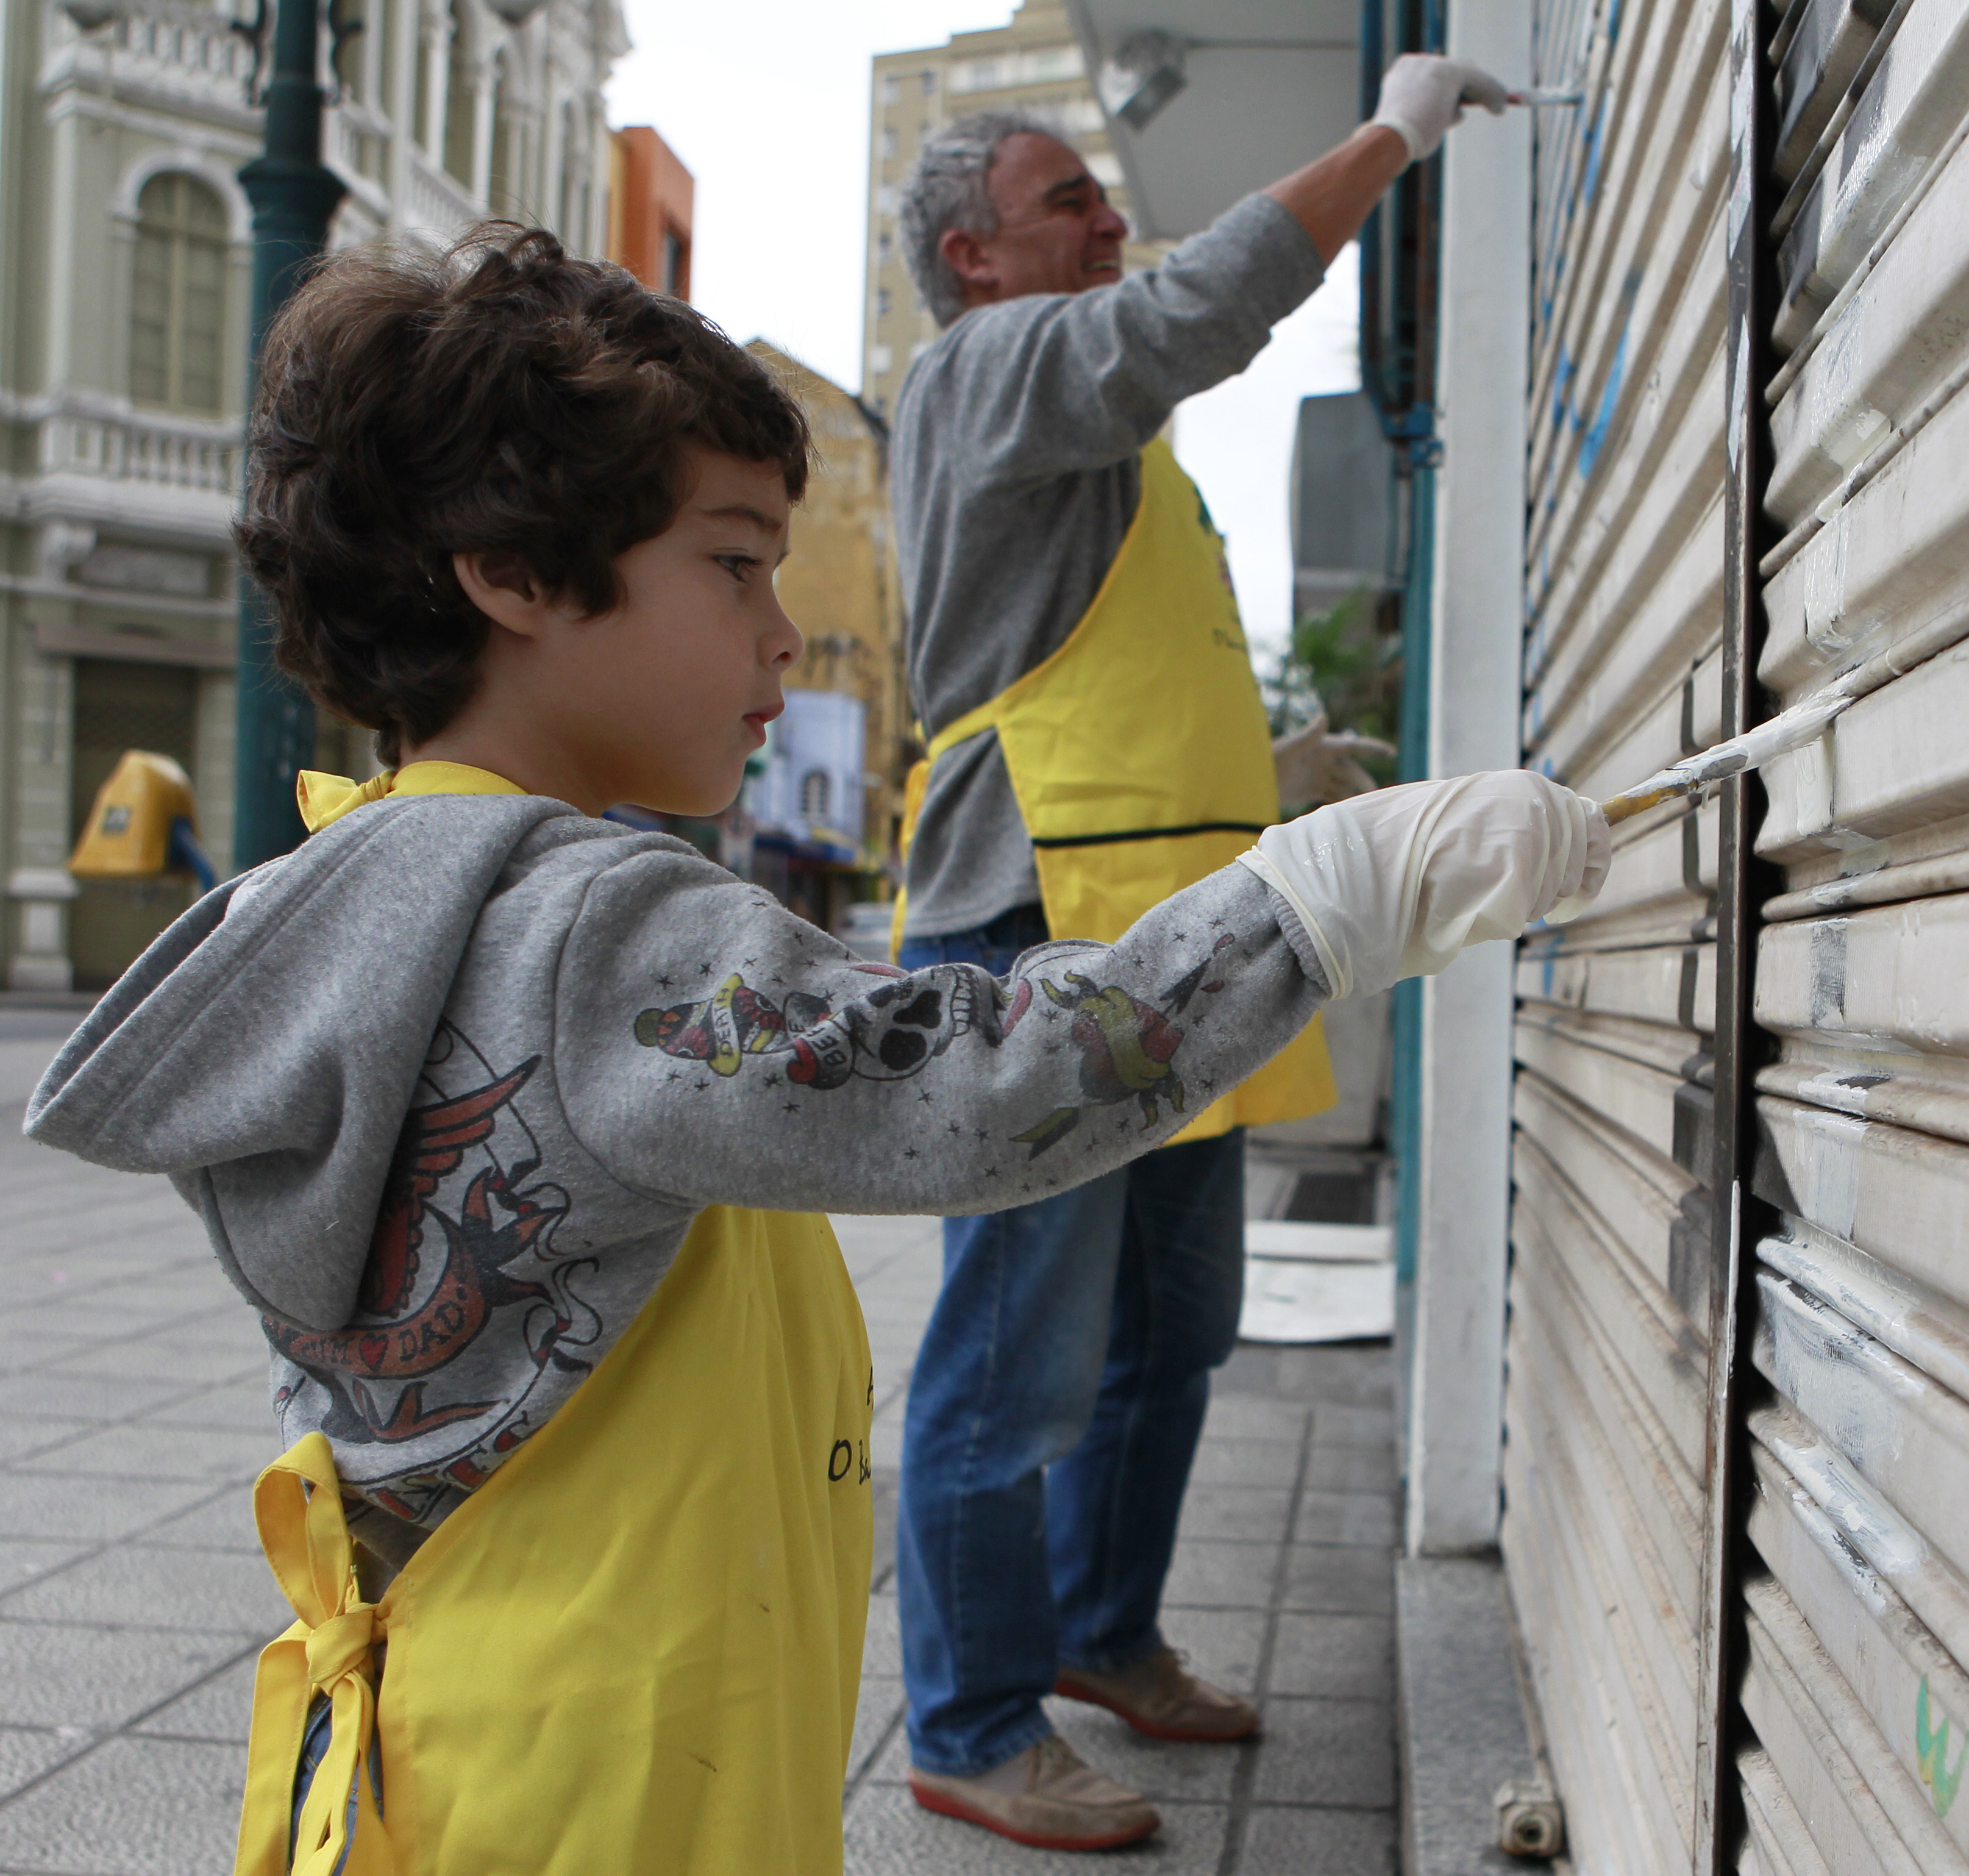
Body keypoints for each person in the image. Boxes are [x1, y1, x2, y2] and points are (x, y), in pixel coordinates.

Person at [20, 225, 1604, 1875]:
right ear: (514, 572)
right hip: (631, 1784)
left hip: (469, 1749)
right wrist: (1317, 903)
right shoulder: (584, 934)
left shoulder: (384, 895)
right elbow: (979, 1084)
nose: (786, 632)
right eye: (734, 563)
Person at [882, 52, 1512, 1849]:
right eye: (1061, 200)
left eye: (1101, 191)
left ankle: (1100, 1631)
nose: (1105, 216)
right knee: (1016, 1355)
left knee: (1173, 1326)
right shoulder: (993, 370)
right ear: (971, 256)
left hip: (1157, 942)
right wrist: (1390, 134)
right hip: (1031, 939)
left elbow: (1127, 679)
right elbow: (1194, 309)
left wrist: (1280, 774)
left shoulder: (1107, 461)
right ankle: (973, 1722)